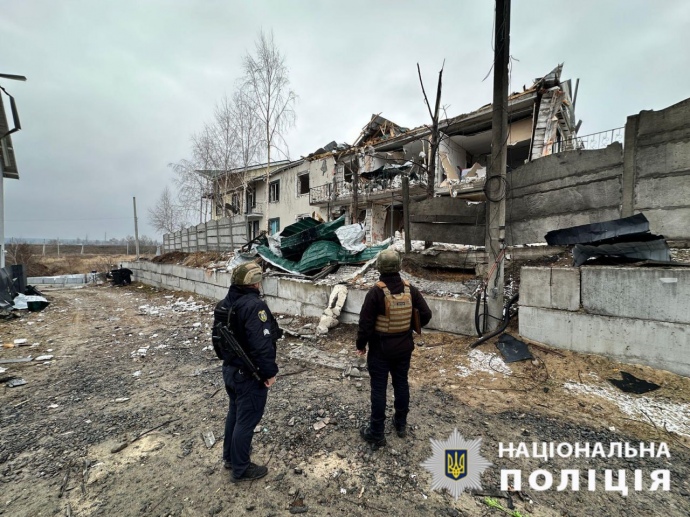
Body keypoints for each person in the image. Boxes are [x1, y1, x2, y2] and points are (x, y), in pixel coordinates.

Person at [356, 248, 432, 446]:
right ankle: (400, 424)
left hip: (380, 351)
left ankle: (377, 433)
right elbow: (426, 314)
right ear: (399, 266)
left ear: (379, 267)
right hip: (404, 348)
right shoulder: (410, 290)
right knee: (401, 384)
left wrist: (361, 345)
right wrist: (409, 327)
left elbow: (365, 324)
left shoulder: (375, 292)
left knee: (378, 389)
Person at [212, 261, 279, 482]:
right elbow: (262, 346)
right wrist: (269, 373)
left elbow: (217, 340)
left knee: (235, 413)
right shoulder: (254, 306)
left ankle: (231, 457)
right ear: (255, 282)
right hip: (248, 375)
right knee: (246, 420)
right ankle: (240, 468)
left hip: (230, 370)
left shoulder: (224, 304)